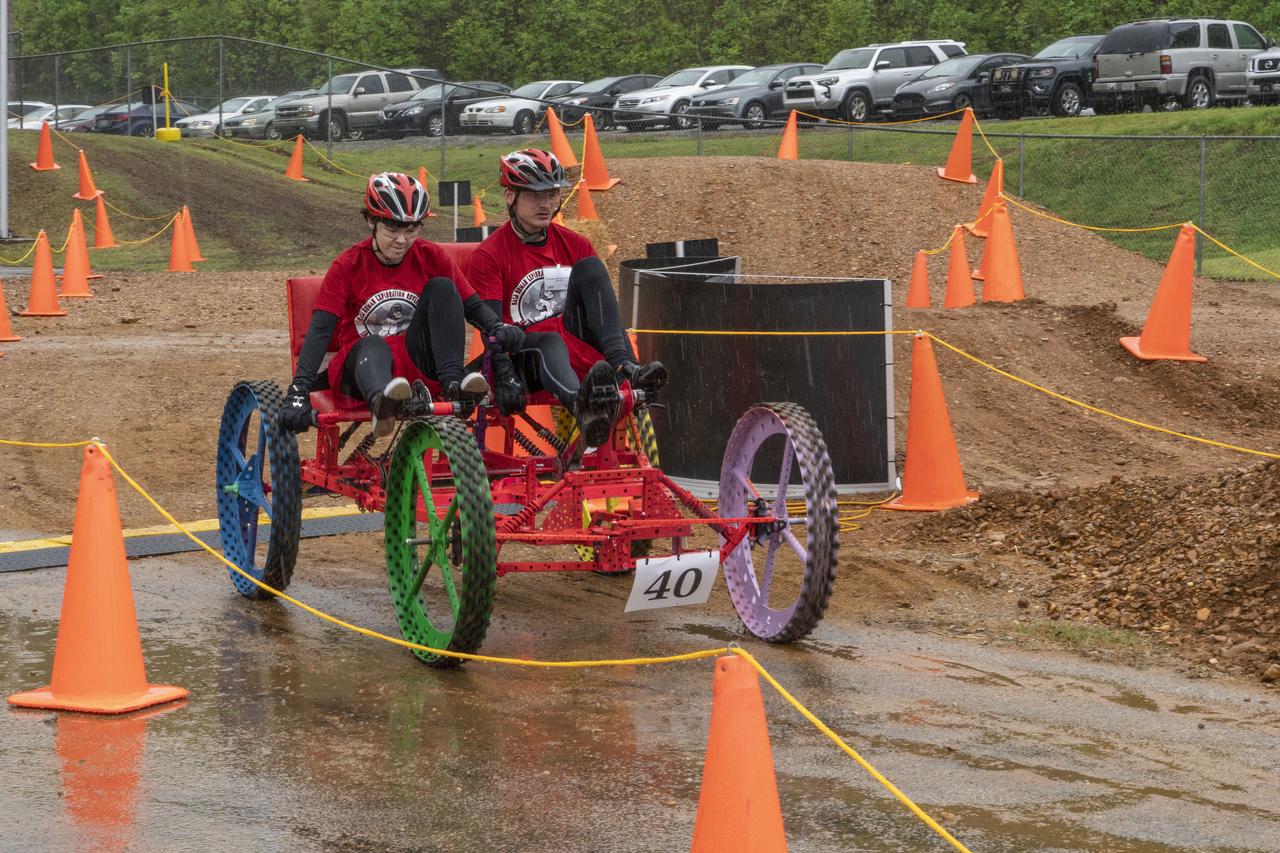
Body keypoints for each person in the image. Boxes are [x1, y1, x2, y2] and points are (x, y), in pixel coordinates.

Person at [281, 172, 525, 437]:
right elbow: (321, 330)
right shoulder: (348, 266)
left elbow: (473, 306)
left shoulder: (431, 256)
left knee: (443, 287)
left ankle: (454, 387)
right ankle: (382, 405)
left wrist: (497, 326)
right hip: (362, 371)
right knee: (374, 343)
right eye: (393, 229)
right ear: (371, 221)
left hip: (414, 364)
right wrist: (299, 389)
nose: (402, 240)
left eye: (411, 230)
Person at [468, 148, 667, 447]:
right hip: (525, 360)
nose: (546, 204)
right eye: (535, 196)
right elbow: (491, 332)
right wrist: (505, 374)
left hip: (578, 349)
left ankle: (625, 367)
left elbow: (605, 314)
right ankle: (581, 407)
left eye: (551, 195)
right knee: (550, 341)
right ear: (510, 196)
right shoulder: (489, 254)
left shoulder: (576, 244)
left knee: (589, 267)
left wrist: (630, 371)